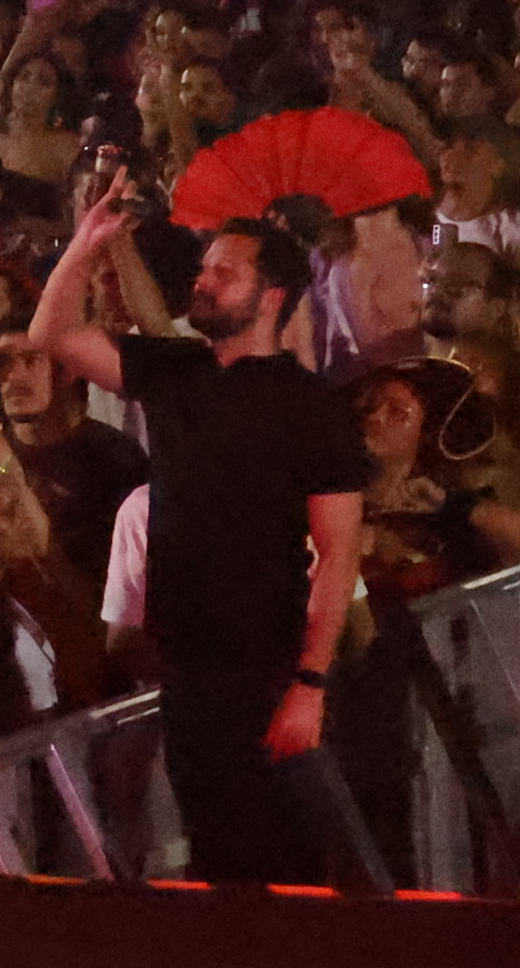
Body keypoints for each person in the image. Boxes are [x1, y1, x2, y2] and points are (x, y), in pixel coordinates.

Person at [31, 164, 377, 888]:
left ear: (272, 295)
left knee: (287, 857)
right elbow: (53, 332)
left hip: (270, 665)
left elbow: (339, 553)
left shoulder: (312, 408)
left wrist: (311, 682)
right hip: (185, 665)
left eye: (226, 269)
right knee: (214, 851)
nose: (206, 279)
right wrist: (87, 241)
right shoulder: (175, 371)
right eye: (205, 265)